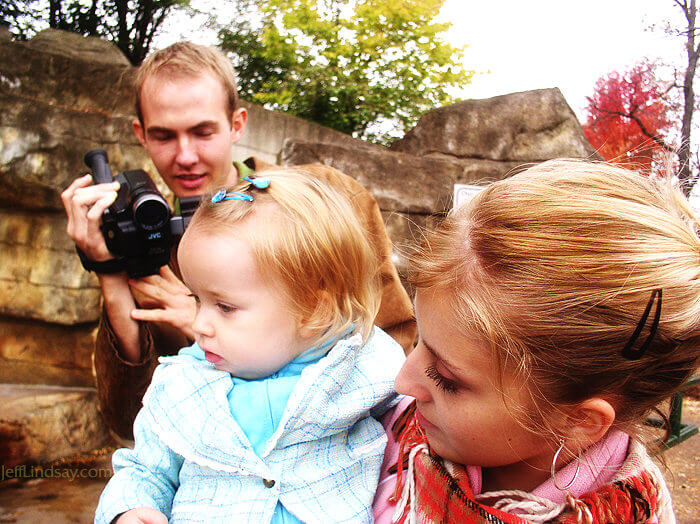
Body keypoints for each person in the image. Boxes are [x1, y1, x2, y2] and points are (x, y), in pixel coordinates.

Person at [60, 41, 416, 440]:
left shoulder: (326, 199)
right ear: (140, 135)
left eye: (203, 131)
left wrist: (218, 333)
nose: (185, 155)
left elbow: (397, 354)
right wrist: (109, 271)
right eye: (163, 136)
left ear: (237, 123)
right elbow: (128, 422)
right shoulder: (145, 232)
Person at [372, 160, 699, 523]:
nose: (402, 381)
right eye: (420, 339)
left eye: (446, 378)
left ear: (577, 420)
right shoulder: (384, 426)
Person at [95, 168, 406, 523]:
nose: (199, 324)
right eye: (197, 299)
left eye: (225, 307)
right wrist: (128, 510)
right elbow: (144, 470)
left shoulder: (367, 367)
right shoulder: (184, 385)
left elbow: (416, 440)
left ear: (313, 310)